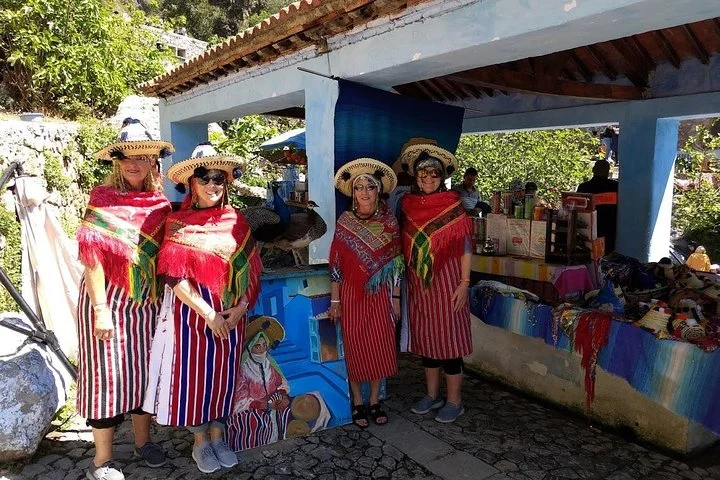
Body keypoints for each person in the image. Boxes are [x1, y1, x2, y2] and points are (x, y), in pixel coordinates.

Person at [143, 143, 262, 474]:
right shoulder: (178, 223)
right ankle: (200, 442)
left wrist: (240, 309)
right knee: (196, 379)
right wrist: (207, 313)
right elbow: (173, 277)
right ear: (191, 184)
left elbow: (252, 271)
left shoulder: (238, 222)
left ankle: (219, 436)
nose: (212, 185)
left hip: (230, 315)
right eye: (205, 178)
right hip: (193, 317)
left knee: (224, 377)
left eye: (219, 179)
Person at [76, 119, 173, 480]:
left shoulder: (161, 204)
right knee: (107, 375)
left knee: (144, 373)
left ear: (153, 161)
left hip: (146, 303)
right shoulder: (102, 199)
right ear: (116, 161)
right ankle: (102, 459)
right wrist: (101, 309)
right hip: (108, 302)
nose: (133, 163)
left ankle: (142, 442)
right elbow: (92, 256)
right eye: (125, 156)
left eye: (141, 156)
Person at [399, 141, 473, 424]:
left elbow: (466, 246)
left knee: (450, 343)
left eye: (434, 174)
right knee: (428, 343)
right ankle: (432, 395)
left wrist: (464, 283)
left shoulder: (452, 204)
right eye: (423, 174)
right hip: (421, 284)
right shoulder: (407, 205)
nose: (428, 179)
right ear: (416, 178)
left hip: (449, 280)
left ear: (442, 177)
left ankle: (455, 400)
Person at [329, 158, 403, 427]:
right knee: (356, 346)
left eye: (369, 187)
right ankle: (357, 402)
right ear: (353, 193)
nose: (364, 192)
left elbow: (396, 264)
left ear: (378, 191)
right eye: (358, 187)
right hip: (351, 294)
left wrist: (395, 299)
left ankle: (374, 400)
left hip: (380, 294)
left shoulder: (389, 223)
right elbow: (336, 263)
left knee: (380, 345)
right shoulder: (345, 221)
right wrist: (335, 299)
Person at [577, 159, 619, 253]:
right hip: (609, 232)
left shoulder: (583, 187)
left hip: (588, 231)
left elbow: (577, 210)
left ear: (593, 170)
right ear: (608, 172)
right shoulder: (615, 187)